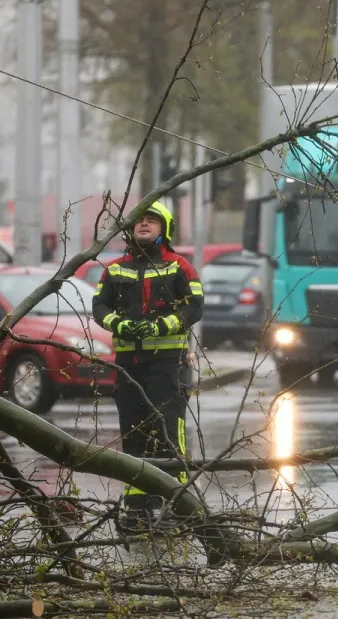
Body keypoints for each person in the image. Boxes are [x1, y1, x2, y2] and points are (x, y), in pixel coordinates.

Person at [92, 201, 204, 534]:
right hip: (128, 367)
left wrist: (163, 326)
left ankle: (177, 507)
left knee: (169, 435)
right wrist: (117, 324)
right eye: (139, 221)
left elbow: (195, 306)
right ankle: (137, 512)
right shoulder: (115, 269)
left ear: (164, 228)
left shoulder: (179, 267)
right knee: (133, 438)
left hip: (167, 367)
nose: (143, 224)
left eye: (151, 220)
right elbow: (99, 305)